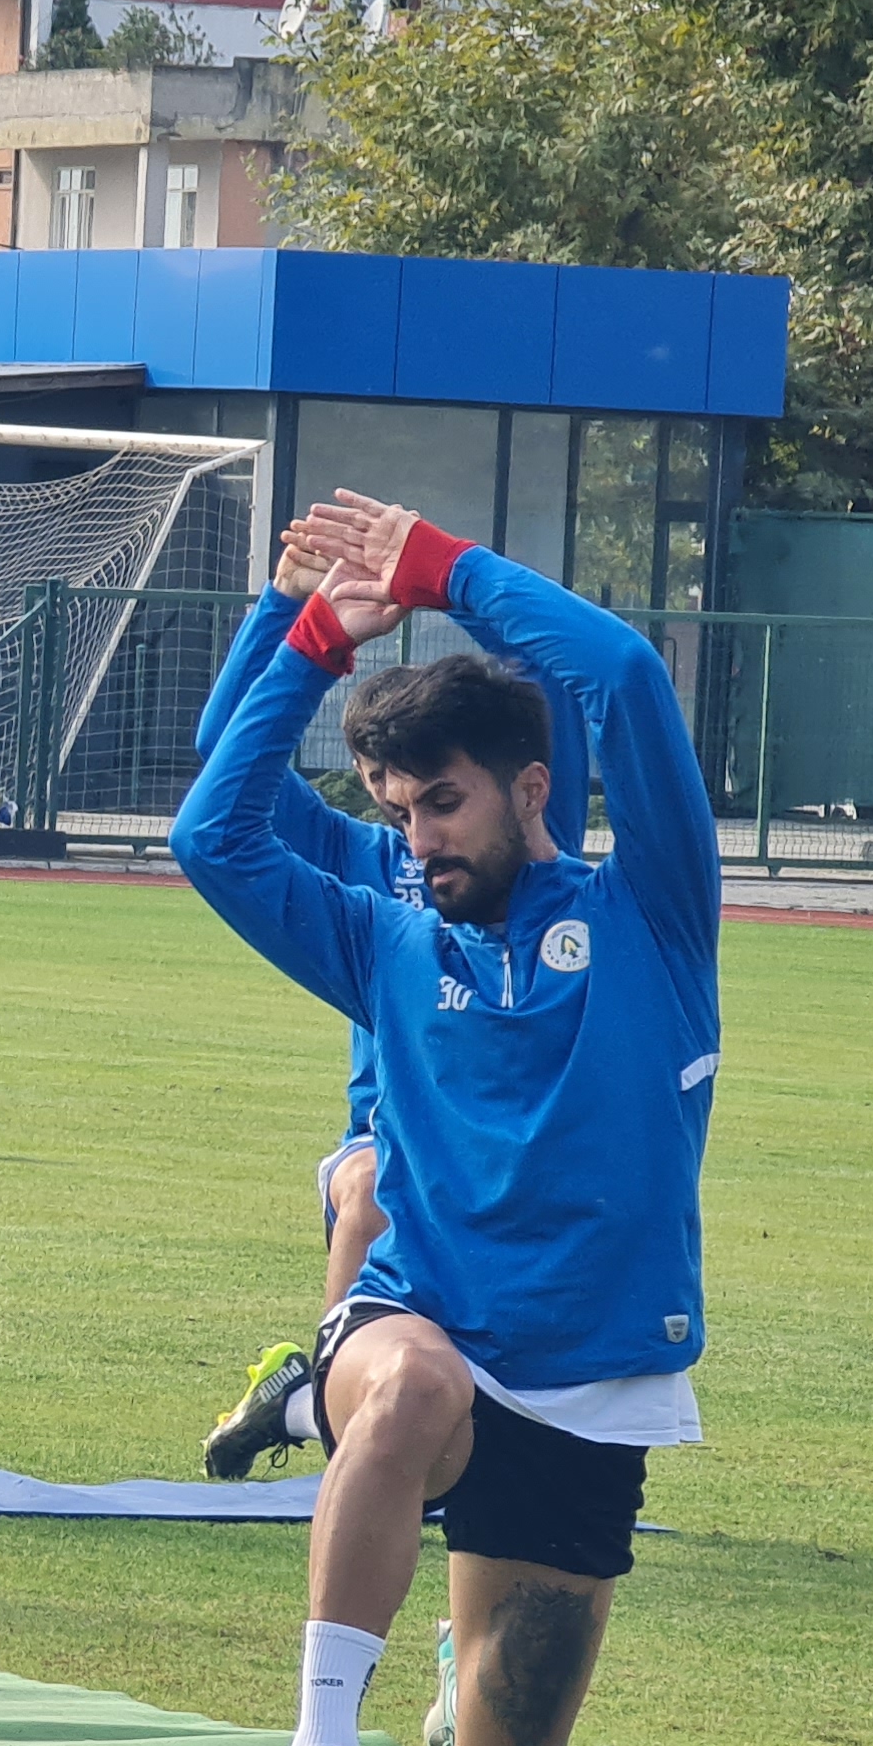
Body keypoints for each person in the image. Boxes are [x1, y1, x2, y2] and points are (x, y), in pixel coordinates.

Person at [172, 493, 722, 1746]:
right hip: (423, 1328)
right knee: (409, 1377)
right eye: (401, 808)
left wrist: (446, 570)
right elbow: (213, 831)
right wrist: (302, 636)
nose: (417, 836)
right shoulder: (381, 930)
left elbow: (632, 677)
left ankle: (440, 1648)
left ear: (534, 789)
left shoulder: (649, 916)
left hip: (592, 1382)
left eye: (446, 803)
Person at [195, 508, 585, 1499]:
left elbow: (544, 710)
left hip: (514, 1138)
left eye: (421, 781)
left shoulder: (522, 830)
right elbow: (223, 758)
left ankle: (304, 1399)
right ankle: (341, 1423)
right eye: (377, 781)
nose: (396, 801)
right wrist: (287, 608)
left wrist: (448, 579)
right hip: (389, 1131)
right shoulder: (357, 858)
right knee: (370, 1186)